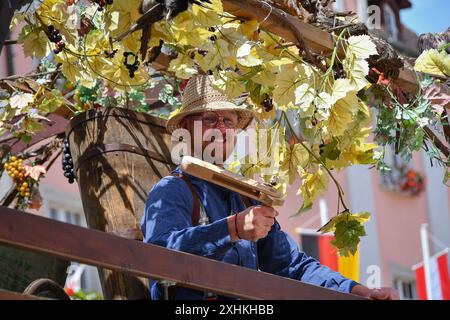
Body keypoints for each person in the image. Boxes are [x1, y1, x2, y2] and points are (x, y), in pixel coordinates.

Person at [141, 74, 398, 300]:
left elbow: (292, 265)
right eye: (210, 119)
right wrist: (233, 228)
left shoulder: (244, 197)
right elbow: (159, 256)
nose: (221, 129)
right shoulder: (171, 189)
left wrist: (357, 290)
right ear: (187, 128)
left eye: (229, 121)